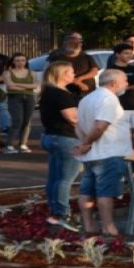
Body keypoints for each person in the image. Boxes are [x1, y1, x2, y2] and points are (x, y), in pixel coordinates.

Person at [73, 69, 132, 236]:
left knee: (87, 191)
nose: (127, 84)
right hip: (108, 153)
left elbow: (77, 125)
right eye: (125, 80)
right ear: (114, 83)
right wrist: (87, 143)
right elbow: (100, 125)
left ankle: (89, 226)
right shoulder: (108, 99)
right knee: (105, 192)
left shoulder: (87, 98)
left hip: (92, 154)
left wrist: (85, 143)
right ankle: (108, 227)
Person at [38, 61, 81, 231]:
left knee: (55, 177)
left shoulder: (48, 91)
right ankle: (62, 214)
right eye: (71, 72)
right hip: (66, 138)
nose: (74, 74)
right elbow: (72, 118)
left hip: (50, 136)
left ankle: (55, 211)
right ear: (62, 74)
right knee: (65, 179)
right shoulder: (62, 94)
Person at [1, 53, 36, 153]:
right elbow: (10, 86)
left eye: (22, 60)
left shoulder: (31, 73)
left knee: (26, 122)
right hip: (14, 98)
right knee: (17, 120)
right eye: (17, 60)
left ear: (26, 61)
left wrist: (16, 83)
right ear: (13, 61)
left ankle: (23, 144)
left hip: (29, 98)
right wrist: (26, 86)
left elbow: (34, 85)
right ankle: (9, 145)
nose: (20, 62)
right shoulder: (7, 73)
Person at [47, 32, 99, 98]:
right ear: (66, 45)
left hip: (87, 93)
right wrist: (75, 81)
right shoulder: (57, 58)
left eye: (78, 44)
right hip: (66, 92)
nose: (78, 46)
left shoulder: (86, 57)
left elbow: (94, 71)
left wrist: (80, 79)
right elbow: (52, 73)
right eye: (73, 44)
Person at [108, 43, 134, 118]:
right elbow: (109, 89)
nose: (129, 55)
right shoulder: (111, 70)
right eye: (126, 53)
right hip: (120, 106)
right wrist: (131, 87)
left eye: (130, 53)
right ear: (117, 54)